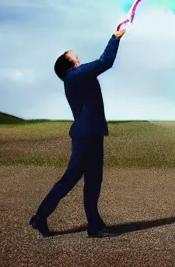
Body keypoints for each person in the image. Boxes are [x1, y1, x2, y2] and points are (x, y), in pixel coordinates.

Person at [30, 28, 126, 238]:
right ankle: (40, 217)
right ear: (71, 65)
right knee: (70, 179)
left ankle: (94, 225)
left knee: (93, 180)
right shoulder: (74, 76)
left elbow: (99, 66)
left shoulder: (77, 76)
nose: (79, 60)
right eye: (76, 58)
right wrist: (115, 38)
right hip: (86, 136)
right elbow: (105, 62)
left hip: (92, 134)